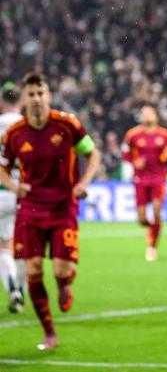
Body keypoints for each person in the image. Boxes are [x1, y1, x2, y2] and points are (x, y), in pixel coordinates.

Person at [0, 72, 100, 350]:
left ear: (49, 96)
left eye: (40, 93)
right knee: (33, 270)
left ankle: (64, 283)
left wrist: (84, 183)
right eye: (31, 94)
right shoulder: (15, 134)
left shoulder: (67, 124)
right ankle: (49, 333)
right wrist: (13, 186)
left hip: (62, 207)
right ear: (24, 99)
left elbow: (92, 153)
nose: (36, 99)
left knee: (60, 270)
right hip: (30, 208)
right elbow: (3, 166)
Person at [121, 105, 167, 262]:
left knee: (157, 211)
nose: (147, 116)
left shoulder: (165, 134)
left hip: (159, 177)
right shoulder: (132, 134)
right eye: (144, 113)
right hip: (140, 179)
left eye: (150, 113)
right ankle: (153, 229)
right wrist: (134, 161)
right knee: (141, 219)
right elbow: (124, 153)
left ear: (156, 116)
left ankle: (152, 247)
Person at [0, 85, 25, 312]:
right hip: (26, 194)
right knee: (24, 245)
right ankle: (21, 288)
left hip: (2, 192)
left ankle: (13, 290)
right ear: (22, 102)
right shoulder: (28, 126)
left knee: (3, 246)